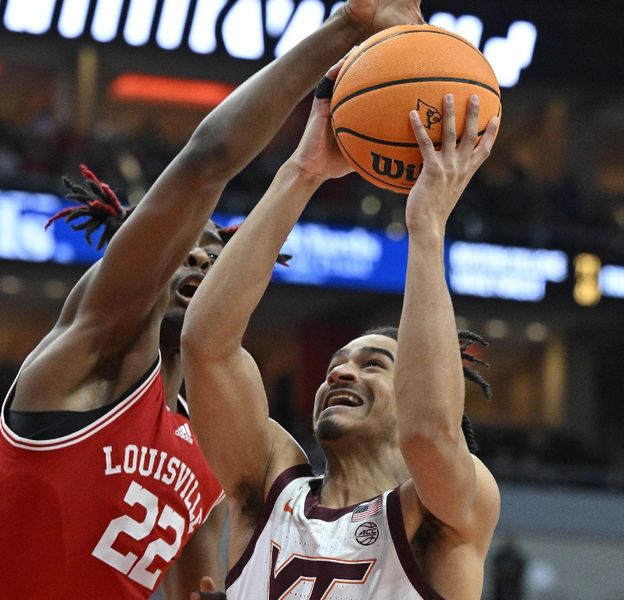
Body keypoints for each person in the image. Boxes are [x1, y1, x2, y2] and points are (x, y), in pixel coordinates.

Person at [0, 1, 424, 598]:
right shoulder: (93, 358)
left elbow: (194, 587)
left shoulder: (215, 445)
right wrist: (347, 27)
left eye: (217, 255)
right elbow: (208, 163)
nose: (203, 257)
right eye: (188, 247)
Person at [181, 61, 501, 599]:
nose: (342, 371)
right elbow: (206, 347)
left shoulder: (441, 510)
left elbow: (427, 432)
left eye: (373, 363)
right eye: (336, 365)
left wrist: (426, 226)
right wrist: (303, 170)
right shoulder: (268, 485)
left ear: (410, 389)